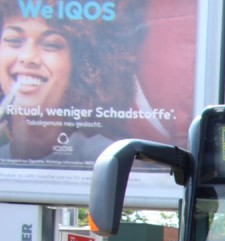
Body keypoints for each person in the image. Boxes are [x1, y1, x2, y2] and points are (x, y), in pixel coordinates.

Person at [0, 0, 146, 164]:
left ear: (80, 65)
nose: (28, 57)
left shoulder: (109, 161)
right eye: (13, 40)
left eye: (51, 44)